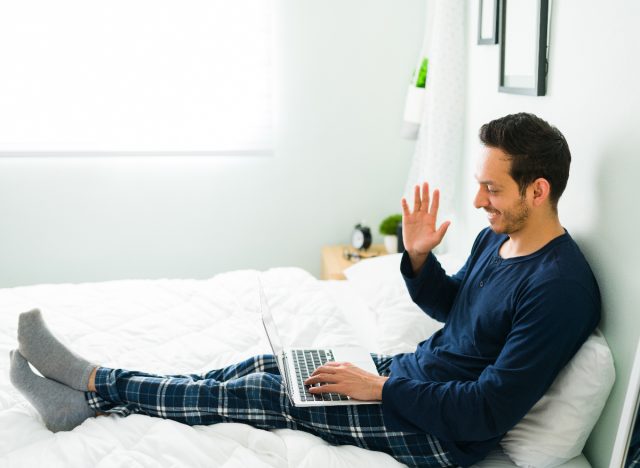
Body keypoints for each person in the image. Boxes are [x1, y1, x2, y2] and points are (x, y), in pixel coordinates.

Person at [9, 113, 600, 468]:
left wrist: (378, 389)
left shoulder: (560, 289)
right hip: (410, 377)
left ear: (538, 190)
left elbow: (488, 407)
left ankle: (94, 381)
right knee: (270, 364)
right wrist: (417, 258)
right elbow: (459, 312)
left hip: (442, 432)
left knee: (270, 393)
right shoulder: (497, 238)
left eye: (491, 189)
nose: (477, 202)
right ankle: (82, 406)